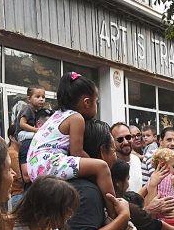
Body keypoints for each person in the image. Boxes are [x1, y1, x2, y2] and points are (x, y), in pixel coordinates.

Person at [27, 72, 118, 218]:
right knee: (101, 167)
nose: (97, 106)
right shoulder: (76, 118)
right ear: (87, 102)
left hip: (35, 167)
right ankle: (115, 214)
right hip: (48, 164)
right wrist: (93, 164)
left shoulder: (57, 115)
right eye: (97, 102)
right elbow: (77, 152)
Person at [19, 108, 53, 187]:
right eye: (50, 125)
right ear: (39, 124)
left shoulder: (52, 143)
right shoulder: (28, 144)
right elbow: (26, 176)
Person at [111, 122, 143, 192]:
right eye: (120, 139)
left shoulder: (136, 159)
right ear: (112, 142)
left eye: (128, 137)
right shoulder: (111, 165)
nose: (125, 142)